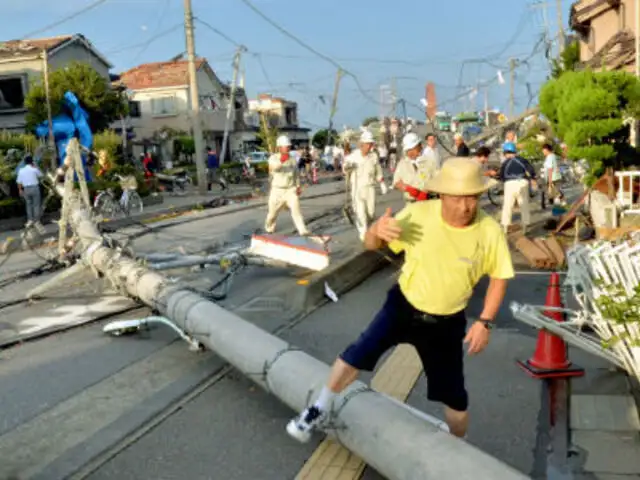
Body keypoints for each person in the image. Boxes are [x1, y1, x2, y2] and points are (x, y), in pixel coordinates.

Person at [286, 157, 514, 442]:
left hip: (447, 321)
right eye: (458, 198)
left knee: (455, 398)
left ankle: (458, 447)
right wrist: (375, 232)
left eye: (473, 198)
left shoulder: (489, 230)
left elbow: (499, 277)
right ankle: (319, 408)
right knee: (357, 353)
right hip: (403, 306)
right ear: (442, 194)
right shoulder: (418, 214)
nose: (466, 206)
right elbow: (371, 246)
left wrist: (485, 321)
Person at [343, 131, 388, 240]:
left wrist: (382, 183)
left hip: (370, 188)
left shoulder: (373, 156)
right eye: (368, 144)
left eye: (371, 144)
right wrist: (348, 167)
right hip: (357, 188)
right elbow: (344, 169)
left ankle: (367, 227)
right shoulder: (353, 156)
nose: (370, 146)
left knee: (370, 213)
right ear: (361, 144)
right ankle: (363, 235)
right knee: (360, 213)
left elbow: (378, 171)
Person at [265, 135, 310, 235]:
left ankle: (302, 230)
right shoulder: (273, 158)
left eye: (289, 146)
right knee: (272, 214)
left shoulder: (293, 159)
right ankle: (269, 227)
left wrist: (298, 186)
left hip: (290, 190)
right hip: (277, 191)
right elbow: (274, 169)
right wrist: (282, 160)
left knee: (296, 210)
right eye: (286, 146)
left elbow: (296, 175)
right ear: (280, 147)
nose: (288, 148)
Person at [498, 142, 537, 234]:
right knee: (524, 205)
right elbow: (531, 171)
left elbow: (502, 176)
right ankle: (525, 227)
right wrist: (532, 178)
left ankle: (505, 227)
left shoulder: (505, 163)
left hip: (509, 184)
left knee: (508, 205)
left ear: (506, 153)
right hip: (523, 183)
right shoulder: (522, 160)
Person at [393, 132, 438, 204]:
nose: (410, 152)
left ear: (420, 146)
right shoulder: (402, 164)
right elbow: (396, 182)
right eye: (408, 150)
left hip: (428, 202)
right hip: (411, 204)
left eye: (413, 149)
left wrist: (426, 191)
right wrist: (408, 189)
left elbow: (438, 180)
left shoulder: (429, 162)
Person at [17, 155, 46, 234]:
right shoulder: (34, 169)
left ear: (25, 162)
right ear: (32, 162)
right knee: (36, 205)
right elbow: (42, 175)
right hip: (35, 188)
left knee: (28, 204)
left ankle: (30, 220)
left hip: (26, 189)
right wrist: (35, 166)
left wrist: (20, 190)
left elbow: (19, 182)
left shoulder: (21, 170)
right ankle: (36, 220)